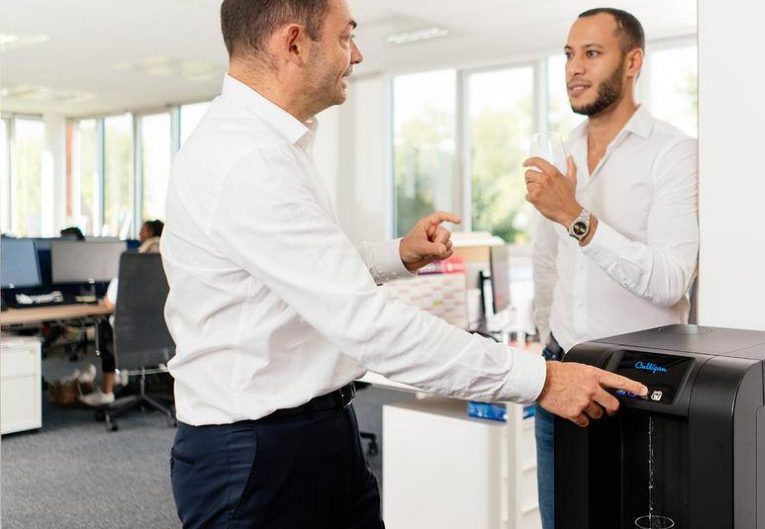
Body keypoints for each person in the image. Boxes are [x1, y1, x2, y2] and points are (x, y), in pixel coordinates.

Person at [161, 1, 648, 527]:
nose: (358, 53)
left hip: (317, 433)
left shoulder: (273, 147)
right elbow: (369, 325)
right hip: (256, 457)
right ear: (294, 43)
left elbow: (313, 273)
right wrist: (541, 380)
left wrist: (399, 255)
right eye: (346, 36)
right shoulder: (247, 160)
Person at [524, 8, 700, 529]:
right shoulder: (563, 153)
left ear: (632, 62)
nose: (575, 69)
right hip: (560, 375)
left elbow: (672, 280)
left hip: (638, 386)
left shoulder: (673, 153)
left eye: (592, 54)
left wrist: (575, 216)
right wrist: (547, 341)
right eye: (569, 55)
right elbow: (545, 262)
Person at [80, 224, 164, 406]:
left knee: (103, 325)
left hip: (128, 340)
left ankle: (107, 391)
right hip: (162, 343)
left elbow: (108, 304)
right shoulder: (170, 280)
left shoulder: (124, 278)